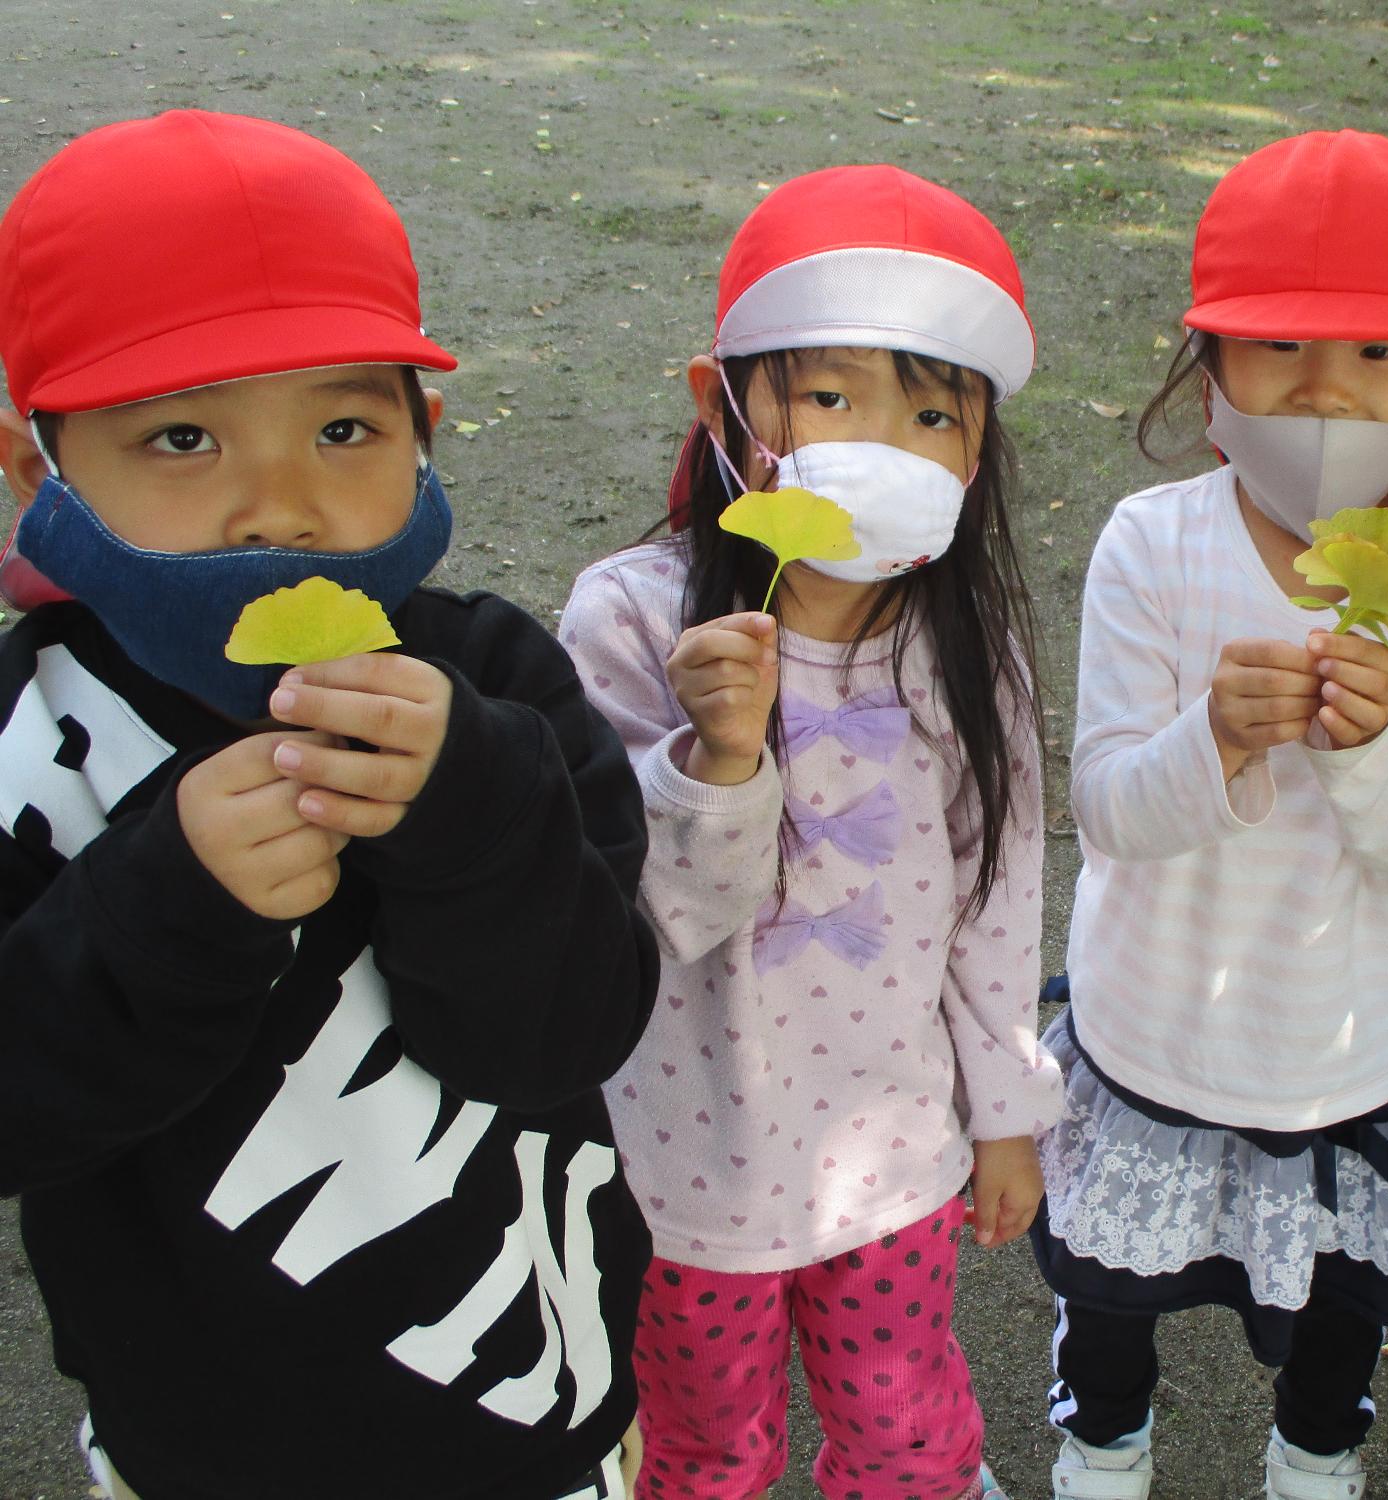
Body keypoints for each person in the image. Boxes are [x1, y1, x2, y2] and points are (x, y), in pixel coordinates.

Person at [0, 111, 659, 1499]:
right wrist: (164, 903)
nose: (280, 509)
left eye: (344, 426)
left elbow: (578, 1026)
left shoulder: (489, 680)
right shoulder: (26, 749)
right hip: (197, 1451)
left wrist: (473, 811)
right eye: (182, 436)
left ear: (425, 435)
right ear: (30, 468)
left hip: (532, 1413)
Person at [560, 163, 1063, 1500]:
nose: (882, 442)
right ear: (716, 403)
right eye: (828, 394)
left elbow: (997, 887)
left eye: (933, 409)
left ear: (979, 442)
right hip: (685, 1159)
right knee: (709, 1453)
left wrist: (1005, 1110)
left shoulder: (970, 643)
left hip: (888, 1157)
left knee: (904, 1436)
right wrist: (721, 758)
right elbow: (642, 913)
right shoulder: (627, 624)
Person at [1034, 130, 1388, 1500]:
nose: (1322, 391)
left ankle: (1315, 1464)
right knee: (1115, 1304)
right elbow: (1110, 813)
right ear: (1209, 375)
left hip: (1345, 1051)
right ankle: (1102, 1448)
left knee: (1337, 1326)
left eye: (1378, 356)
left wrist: (1369, 751)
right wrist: (1217, 735)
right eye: (1277, 349)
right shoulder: (1152, 544)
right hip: (1151, 1029)